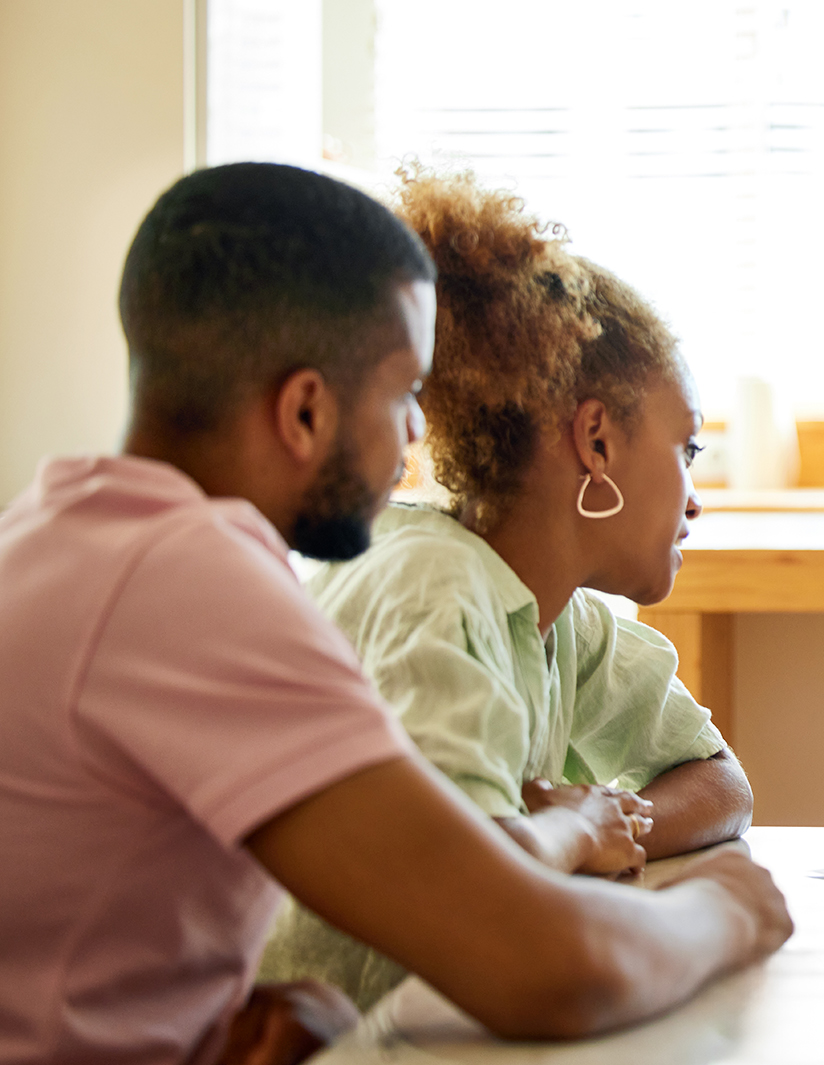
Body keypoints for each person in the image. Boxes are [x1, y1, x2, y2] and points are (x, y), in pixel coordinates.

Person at [0, 163, 790, 1065]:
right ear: (305, 410)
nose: (419, 433)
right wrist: (730, 908)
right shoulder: (188, 582)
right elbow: (538, 962)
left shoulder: (67, 532)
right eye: (402, 392)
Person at [259, 170, 751, 1008]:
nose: (695, 494)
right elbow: (469, 908)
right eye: (688, 450)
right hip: (355, 1046)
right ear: (596, 440)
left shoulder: (559, 613)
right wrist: (569, 833)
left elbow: (720, 785)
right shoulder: (432, 589)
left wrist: (601, 827)